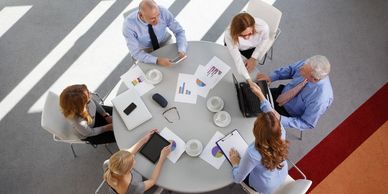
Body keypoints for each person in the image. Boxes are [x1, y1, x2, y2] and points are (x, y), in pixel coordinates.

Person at [229, 80, 289, 194]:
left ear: (257, 132)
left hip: (264, 187)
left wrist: (235, 162)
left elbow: (238, 178)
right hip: (281, 173)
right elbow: (271, 115)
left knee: (234, 163)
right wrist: (260, 95)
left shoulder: (253, 154)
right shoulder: (280, 131)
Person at [256, 55, 333, 130]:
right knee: (251, 96)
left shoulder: (320, 99)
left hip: (286, 114)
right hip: (281, 93)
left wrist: (280, 119)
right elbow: (290, 70)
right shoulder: (308, 65)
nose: (300, 69)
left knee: (257, 126)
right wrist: (271, 77)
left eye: (303, 71)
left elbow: (307, 123)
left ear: (315, 79)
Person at [104, 129, 171, 194]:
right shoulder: (134, 188)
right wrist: (162, 158)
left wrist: (144, 140)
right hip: (140, 188)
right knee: (161, 184)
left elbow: (127, 154)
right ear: (130, 169)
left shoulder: (108, 164)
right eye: (133, 159)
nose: (133, 155)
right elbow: (152, 180)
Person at [123, 0, 187, 67]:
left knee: (175, 66)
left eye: (158, 15)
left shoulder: (163, 11)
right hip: (145, 49)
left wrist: (182, 49)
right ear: (141, 15)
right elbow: (135, 53)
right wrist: (157, 60)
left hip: (164, 41)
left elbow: (179, 31)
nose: (157, 20)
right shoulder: (128, 26)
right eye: (152, 18)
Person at [224, 12, 270, 80]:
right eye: (242, 35)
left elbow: (265, 40)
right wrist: (248, 79)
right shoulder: (229, 33)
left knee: (246, 68)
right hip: (234, 47)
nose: (246, 38)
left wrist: (254, 57)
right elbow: (237, 58)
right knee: (228, 64)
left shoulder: (263, 27)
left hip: (250, 49)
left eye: (249, 33)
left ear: (253, 26)